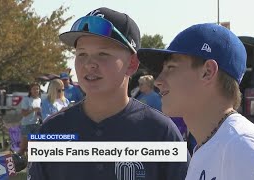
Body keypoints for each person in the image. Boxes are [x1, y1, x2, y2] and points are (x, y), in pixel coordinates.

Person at [28, 7, 188, 180]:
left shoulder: (160, 132)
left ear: (132, 63)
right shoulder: (52, 131)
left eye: (103, 53)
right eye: (81, 54)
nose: (89, 64)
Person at [137, 23, 254, 179]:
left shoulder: (243, 145)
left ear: (208, 72)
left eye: (171, 67)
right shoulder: (210, 146)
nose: (158, 80)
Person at [18, 82, 41, 156]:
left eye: (37, 89)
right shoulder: (26, 99)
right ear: (30, 90)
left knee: (34, 146)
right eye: (34, 89)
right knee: (24, 147)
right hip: (26, 125)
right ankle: (18, 159)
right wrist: (33, 110)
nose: (36, 91)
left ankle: (32, 162)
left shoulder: (40, 100)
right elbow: (23, 113)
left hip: (36, 125)